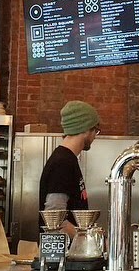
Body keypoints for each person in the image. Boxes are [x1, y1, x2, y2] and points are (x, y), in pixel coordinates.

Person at [39, 101, 101, 237]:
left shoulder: (68, 159)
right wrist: (88, 241)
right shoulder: (62, 162)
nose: (95, 136)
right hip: (65, 255)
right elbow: (55, 218)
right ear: (85, 129)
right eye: (95, 130)